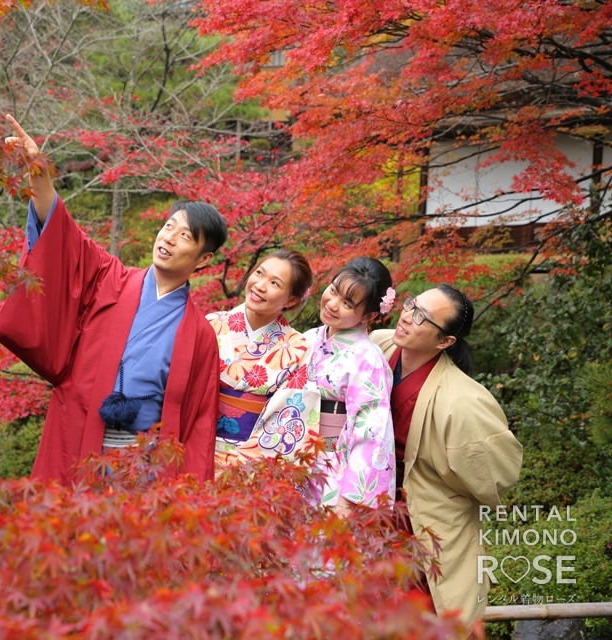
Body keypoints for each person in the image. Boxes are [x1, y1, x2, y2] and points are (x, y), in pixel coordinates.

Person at [0, 115, 228, 483]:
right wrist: (39, 172)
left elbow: (198, 426)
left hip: (149, 462)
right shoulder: (109, 279)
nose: (167, 239)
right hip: (83, 437)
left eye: (185, 236)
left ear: (204, 258)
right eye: (168, 227)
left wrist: (190, 495)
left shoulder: (200, 335)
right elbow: (63, 239)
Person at [371, 285, 523, 628]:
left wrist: (437, 480)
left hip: (422, 523)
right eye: (411, 304)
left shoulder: (463, 400)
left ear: (445, 342)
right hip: (366, 512)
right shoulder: (378, 345)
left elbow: (496, 473)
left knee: (425, 621)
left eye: (422, 317)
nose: (407, 317)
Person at [300, 257, 396, 515]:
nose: (332, 304)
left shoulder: (369, 359)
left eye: (347, 303)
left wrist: (348, 501)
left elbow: (372, 433)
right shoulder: (308, 339)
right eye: (333, 290)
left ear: (370, 315)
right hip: (294, 455)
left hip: (333, 466)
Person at [208, 250, 313, 471]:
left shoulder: (297, 347)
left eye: (275, 283)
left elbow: (290, 415)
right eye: (259, 273)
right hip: (198, 447)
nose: (260, 285)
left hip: (251, 463)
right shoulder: (211, 325)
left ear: (291, 300)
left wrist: (245, 466)